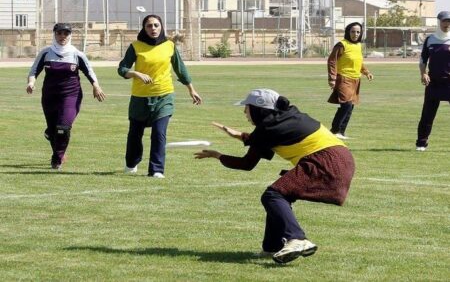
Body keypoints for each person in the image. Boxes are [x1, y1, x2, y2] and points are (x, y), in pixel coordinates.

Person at [194, 89, 355, 264]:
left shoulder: (268, 128)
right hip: (341, 157)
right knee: (280, 195)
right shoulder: (286, 118)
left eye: (247, 108)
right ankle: (271, 248)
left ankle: (297, 239)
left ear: (259, 109)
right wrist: (241, 136)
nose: (244, 112)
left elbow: (247, 164)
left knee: (273, 195)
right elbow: (265, 139)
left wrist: (218, 155)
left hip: (325, 162)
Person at [118, 14, 202, 178]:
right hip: (139, 98)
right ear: (144, 28)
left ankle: (156, 170)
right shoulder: (136, 46)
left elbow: (180, 69)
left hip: (164, 96)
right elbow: (122, 69)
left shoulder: (169, 46)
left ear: (161, 26)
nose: (153, 29)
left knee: (159, 133)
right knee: (135, 134)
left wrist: (191, 89)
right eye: (149, 26)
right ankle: (132, 162)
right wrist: (135, 73)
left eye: (156, 25)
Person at [26, 23, 106, 170]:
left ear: (70, 36)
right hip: (50, 96)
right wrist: (31, 83)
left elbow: (89, 71)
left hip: (71, 94)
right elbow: (34, 71)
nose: (62, 36)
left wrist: (96, 85)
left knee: (63, 127)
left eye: (66, 33)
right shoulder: (46, 52)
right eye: (59, 33)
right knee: (52, 130)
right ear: (54, 34)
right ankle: (56, 145)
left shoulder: (77, 54)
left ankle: (56, 159)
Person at [327, 22, 374, 140]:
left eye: (358, 32)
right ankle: (335, 130)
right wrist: (332, 78)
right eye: (353, 31)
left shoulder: (358, 45)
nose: (355, 34)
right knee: (346, 105)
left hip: (356, 80)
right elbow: (332, 61)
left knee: (350, 106)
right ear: (348, 32)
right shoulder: (342, 45)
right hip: (343, 78)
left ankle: (341, 132)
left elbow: (358, 62)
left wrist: (366, 72)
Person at [416, 11, 450, 151]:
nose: (447, 24)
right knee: (427, 114)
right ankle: (421, 143)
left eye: (449, 21)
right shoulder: (430, 40)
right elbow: (423, 60)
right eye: (444, 21)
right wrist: (423, 73)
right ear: (438, 22)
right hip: (434, 83)